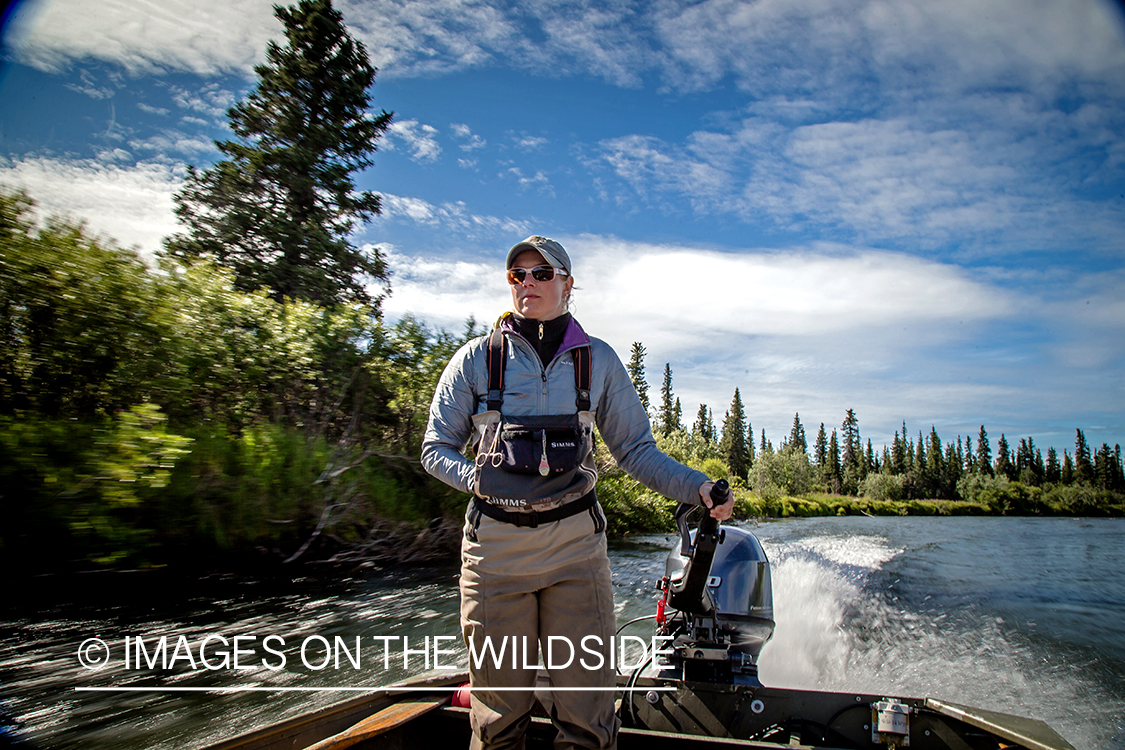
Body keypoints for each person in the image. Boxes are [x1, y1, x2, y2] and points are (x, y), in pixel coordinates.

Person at [421, 235, 733, 750]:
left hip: (576, 551)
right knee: (497, 723)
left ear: (568, 284)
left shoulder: (601, 362)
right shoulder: (474, 360)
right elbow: (435, 449)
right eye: (518, 275)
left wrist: (698, 486)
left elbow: (636, 452)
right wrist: (480, 478)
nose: (528, 284)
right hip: (494, 554)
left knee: (588, 720)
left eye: (542, 274)